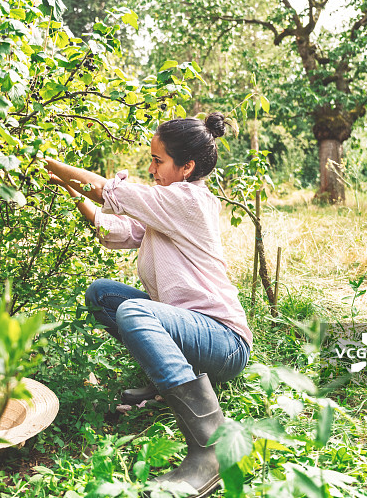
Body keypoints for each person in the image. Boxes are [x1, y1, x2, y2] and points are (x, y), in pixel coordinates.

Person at [45, 113, 253, 498]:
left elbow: (110, 193)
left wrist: (46, 161)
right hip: (192, 331)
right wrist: (72, 189)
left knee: (133, 311)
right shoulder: (167, 204)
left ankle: (211, 449)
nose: (151, 168)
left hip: (224, 341)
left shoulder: (188, 199)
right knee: (103, 296)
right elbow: (114, 230)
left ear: (186, 167)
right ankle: (164, 385)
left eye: (158, 161)